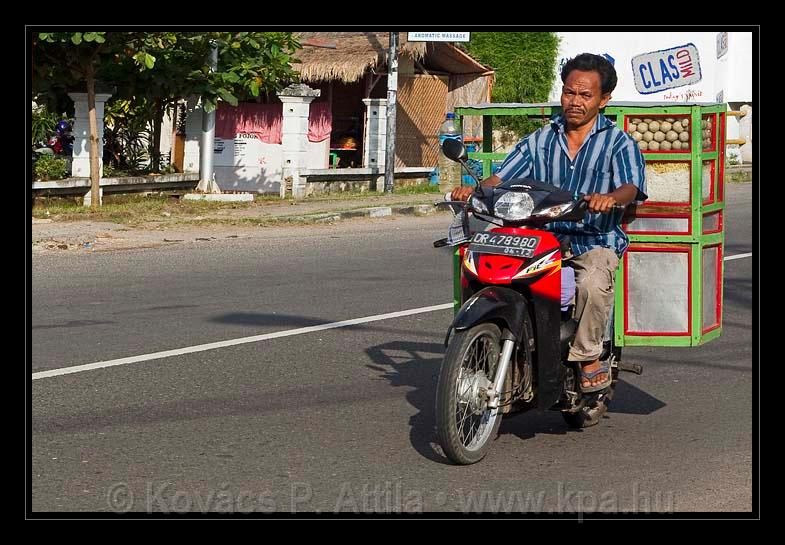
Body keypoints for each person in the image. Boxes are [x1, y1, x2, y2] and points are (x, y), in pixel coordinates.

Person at [451, 53, 647, 392]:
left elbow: (631, 187)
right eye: (570, 92)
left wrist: (611, 198)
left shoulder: (618, 143)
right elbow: (502, 178)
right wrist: (476, 190)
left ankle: (588, 357)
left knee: (592, 284)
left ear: (603, 100)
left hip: (592, 240)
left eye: (585, 95)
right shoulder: (540, 140)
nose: (575, 101)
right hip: (538, 239)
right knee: (484, 267)